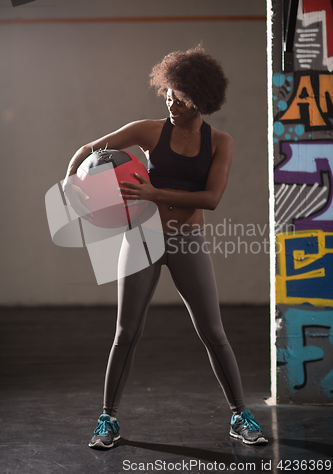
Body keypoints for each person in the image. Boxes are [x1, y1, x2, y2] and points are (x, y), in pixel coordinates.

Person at [62, 45, 268, 448]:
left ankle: (241, 416)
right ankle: (108, 420)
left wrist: (155, 192)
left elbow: (210, 199)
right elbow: (90, 149)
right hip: (142, 238)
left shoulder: (220, 142)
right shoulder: (150, 130)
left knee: (213, 332)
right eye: (169, 96)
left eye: (181, 99)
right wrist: (73, 182)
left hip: (187, 240)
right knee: (126, 331)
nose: (172, 104)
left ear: (201, 101)